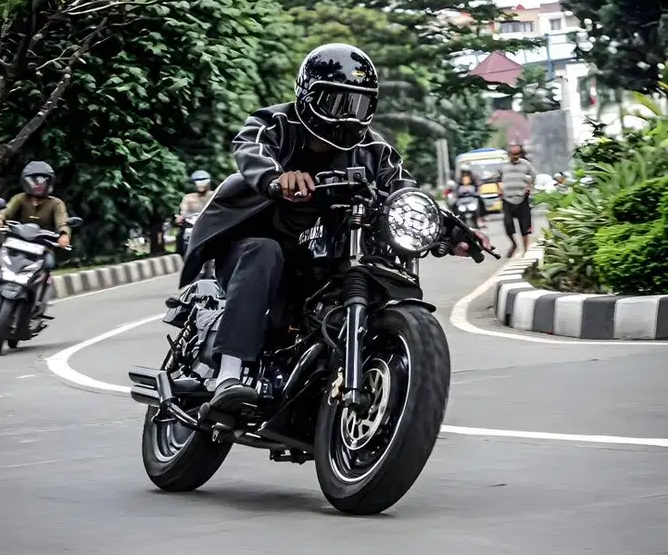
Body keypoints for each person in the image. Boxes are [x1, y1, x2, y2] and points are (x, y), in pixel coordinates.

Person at [181, 42, 490, 414]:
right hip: (258, 248)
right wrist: (277, 178)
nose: (348, 115)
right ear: (308, 96)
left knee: (363, 273)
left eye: (358, 105)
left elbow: (405, 192)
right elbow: (250, 148)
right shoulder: (277, 123)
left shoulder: (376, 151)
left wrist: (451, 232)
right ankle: (229, 374)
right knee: (265, 251)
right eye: (337, 102)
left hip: (325, 254)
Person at [0, 161, 71, 288]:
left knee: (49, 263)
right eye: (33, 181)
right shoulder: (20, 198)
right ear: (25, 182)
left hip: (43, 245)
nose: (38, 185)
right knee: (1, 257)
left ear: (49, 183)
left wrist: (64, 234)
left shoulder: (56, 203)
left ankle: (40, 291)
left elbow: (62, 220)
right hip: (17, 242)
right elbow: (7, 210)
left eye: (43, 181)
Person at [497, 143, 536, 257]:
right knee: (508, 224)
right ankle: (514, 244)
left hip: (522, 198)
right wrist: (499, 188)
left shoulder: (526, 164)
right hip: (507, 199)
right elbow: (497, 178)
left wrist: (529, 187)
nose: (515, 156)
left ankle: (525, 250)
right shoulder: (503, 166)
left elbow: (534, 176)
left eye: (517, 154)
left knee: (524, 225)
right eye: (513, 154)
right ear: (509, 154)